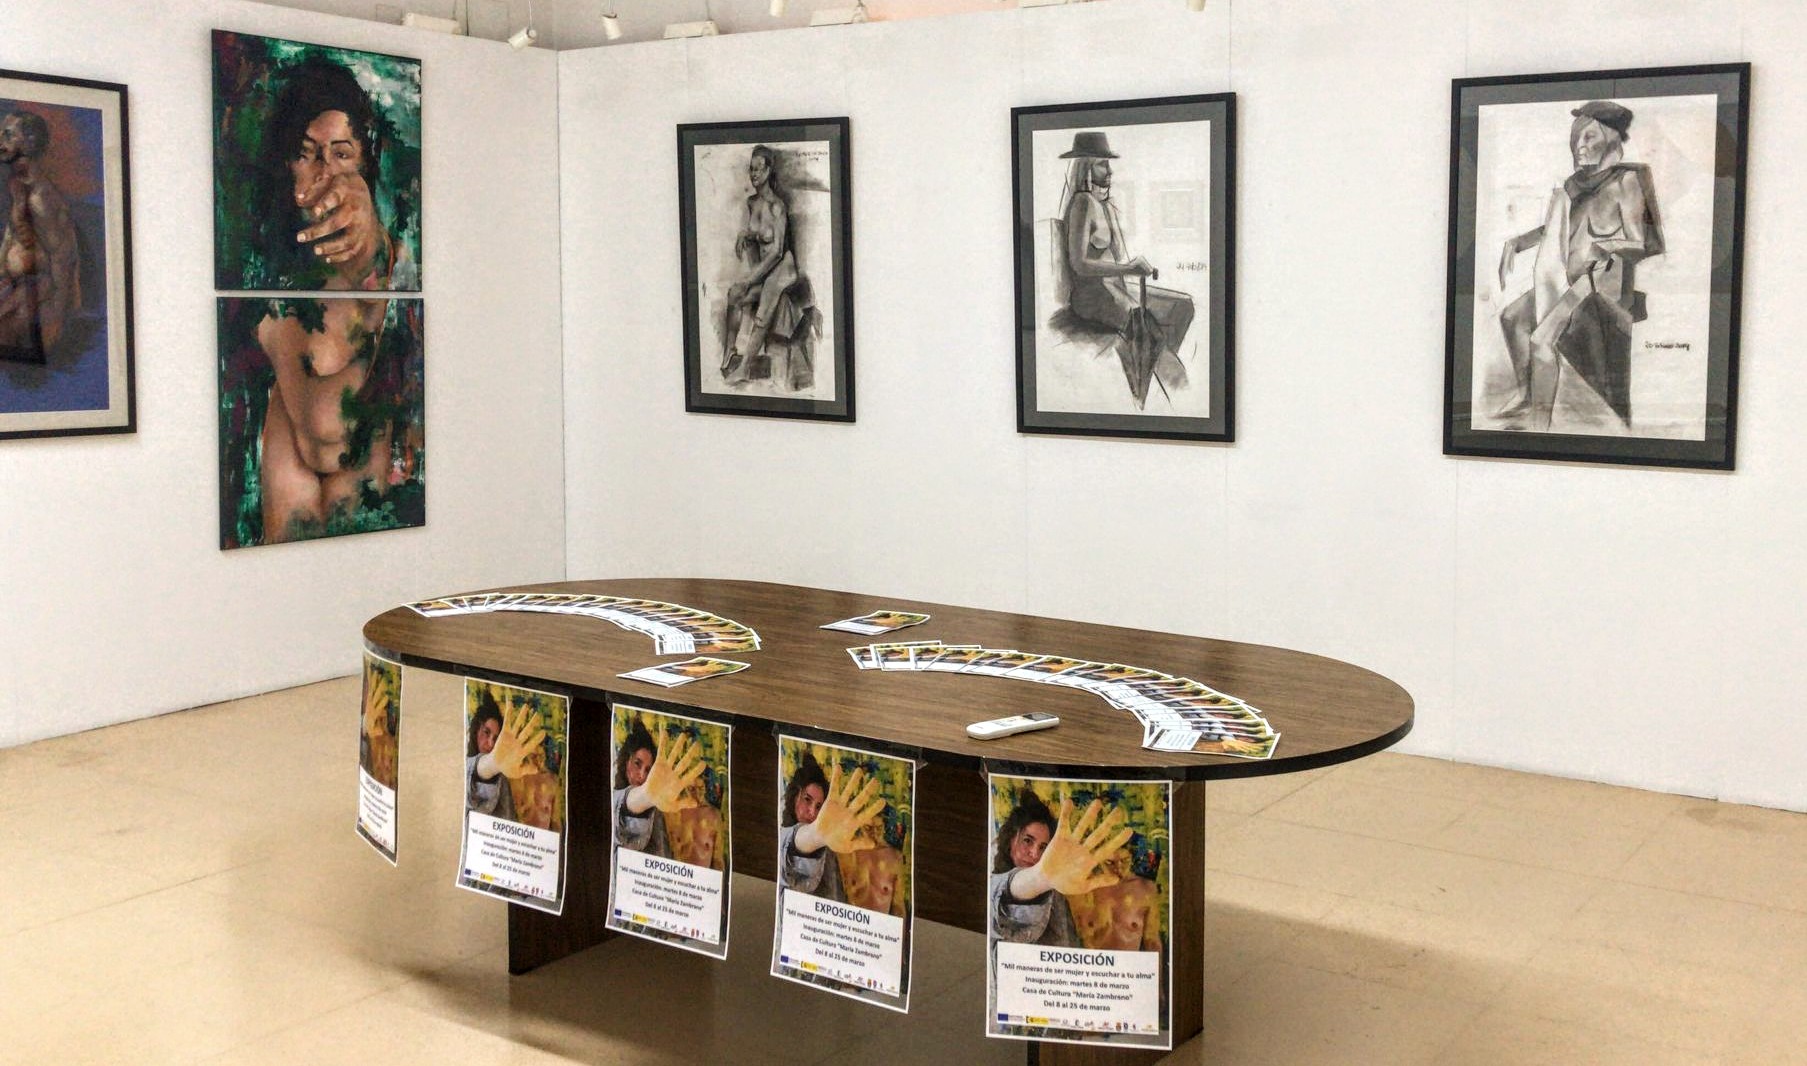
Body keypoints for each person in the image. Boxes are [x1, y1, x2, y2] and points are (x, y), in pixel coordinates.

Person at [1496, 100, 1664, 430]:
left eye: (1588, 138)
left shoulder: (1627, 181)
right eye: (1576, 140)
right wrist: (1519, 242)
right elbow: (1558, 230)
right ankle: (1525, 394)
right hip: (1564, 279)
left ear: (1612, 139)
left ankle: (1539, 428)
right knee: (1512, 318)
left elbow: (1640, 242)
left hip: (1596, 284)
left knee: (1542, 343)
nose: (1579, 147)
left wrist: (1603, 247)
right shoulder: (1575, 185)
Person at [1054, 130, 1195, 405]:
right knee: (1141, 322)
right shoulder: (1082, 203)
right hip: (1091, 297)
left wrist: (1131, 268)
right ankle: (1169, 387)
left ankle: (1151, 371)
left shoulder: (1103, 205)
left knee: (1183, 306)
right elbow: (1079, 264)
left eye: (1108, 164)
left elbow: (1115, 259)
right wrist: (1129, 269)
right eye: (1102, 164)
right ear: (1085, 167)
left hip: (1114, 287)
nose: (1109, 171)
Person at [718, 144, 812, 386]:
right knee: (734, 295)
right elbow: (759, 232)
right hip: (767, 268)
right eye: (751, 169)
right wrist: (745, 234)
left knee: (767, 293)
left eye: (759, 169)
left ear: (769, 171)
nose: (754, 174)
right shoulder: (752, 203)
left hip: (783, 266)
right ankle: (729, 351)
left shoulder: (777, 206)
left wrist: (750, 279)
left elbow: (777, 251)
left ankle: (745, 368)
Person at [989, 791, 1131, 947]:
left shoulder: (1059, 888)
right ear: (1010, 839)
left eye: (1043, 847)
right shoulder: (993, 886)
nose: (1035, 853)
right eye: (1027, 841)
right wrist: (1040, 878)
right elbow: (1008, 889)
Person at [0, 108, 81, 365]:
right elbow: (11, 235)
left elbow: (62, 259)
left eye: (8, 135)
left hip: (38, 297)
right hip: (13, 286)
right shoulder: (17, 185)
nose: (0, 140)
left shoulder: (41, 198)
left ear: (29, 142)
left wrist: (55, 321)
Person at [777, 752, 884, 902]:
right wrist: (815, 835)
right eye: (807, 799)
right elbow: (795, 842)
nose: (812, 811)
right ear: (794, 796)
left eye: (819, 806)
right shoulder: (783, 838)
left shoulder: (831, 844)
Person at [613, 719, 705, 857]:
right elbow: (623, 805)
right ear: (626, 761)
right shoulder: (613, 800)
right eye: (637, 763)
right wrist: (645, 796)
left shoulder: (660, 808)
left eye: (648, 769)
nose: (642, 775)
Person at [466, 691, 545, 822]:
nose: (491, 743)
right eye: (486, 732)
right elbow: (471, 774)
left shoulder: (504, 775)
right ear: (475, 730)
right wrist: (492, 763)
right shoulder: (461, 763)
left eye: (496, 738)